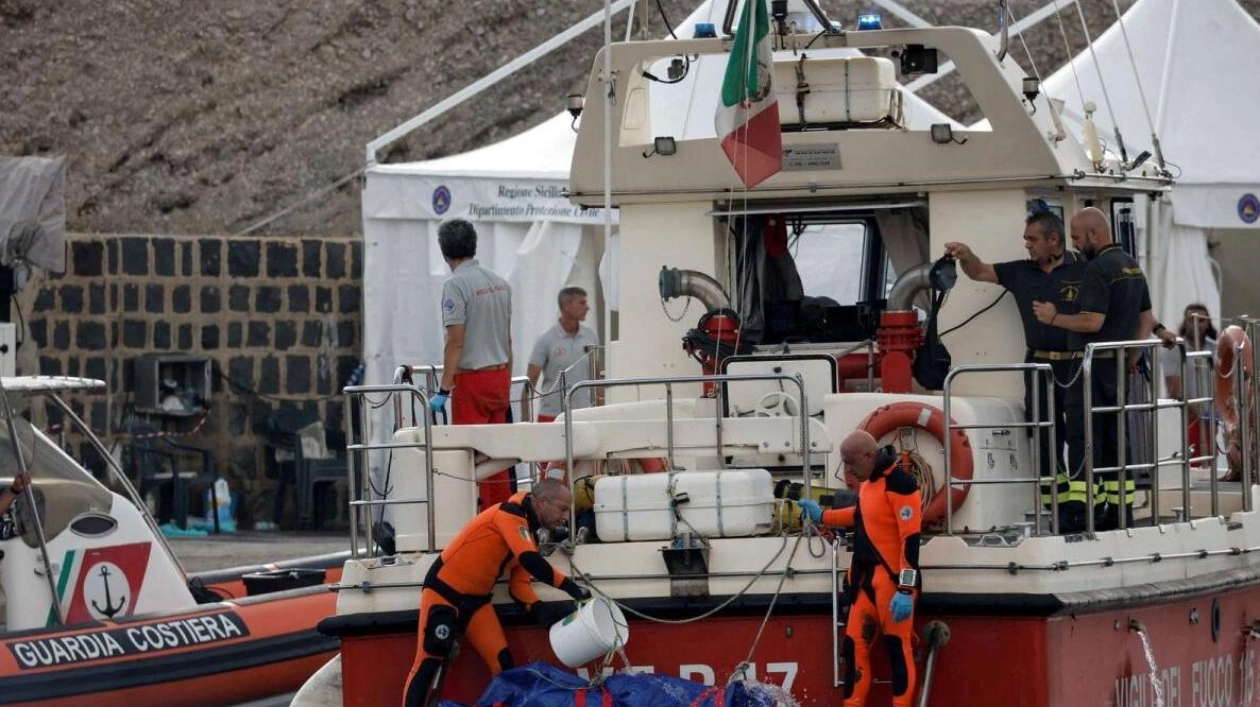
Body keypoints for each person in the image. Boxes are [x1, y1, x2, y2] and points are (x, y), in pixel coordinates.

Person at [1032, 207, 1176, 531]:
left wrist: (1054, 318)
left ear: (1094, 235)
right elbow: (1145, 319)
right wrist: (1135, 356)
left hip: (1090, 369)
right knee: (1115, 441)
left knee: (1084, 437)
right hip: (1117, 370)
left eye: (1077, 238)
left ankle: (1083, 511)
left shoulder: (1098, 268)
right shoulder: (1131, 266)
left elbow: (1091, 321)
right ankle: (1119, 511)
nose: (1075, 244)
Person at [945, 210, 1085, 531]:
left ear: (1054, 238)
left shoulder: (1085, 269)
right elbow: (979, 272)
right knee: (1045, 434)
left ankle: (1080, 505)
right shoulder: (1021, 272)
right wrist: (965, 254)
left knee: (1080, 432)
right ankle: (1057, 508)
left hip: (1075, 363)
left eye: (1032, 240)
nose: (1027, 246)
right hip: (1038, 365)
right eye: (1025, 240)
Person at [402, 479, 590, 706]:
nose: (565, 517)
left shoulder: (529, 537)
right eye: (562, 509)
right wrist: (572, 588)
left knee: (503, 665)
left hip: (476, 603)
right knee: (428, 661)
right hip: (444, 593)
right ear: (542, 503)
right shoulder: (509, 514)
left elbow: (519, 588)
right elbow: (530, 561)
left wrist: (539, 609)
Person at [797, 430, 921, 707]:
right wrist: (822, 515)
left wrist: (906, 587)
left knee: (897, 651)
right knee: (853, 648)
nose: (848, 470)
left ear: (868, 455)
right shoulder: (868, 486)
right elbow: (859, 516)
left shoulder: (901, 485)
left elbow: (910, 541)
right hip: (865, 581)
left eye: (851, 463)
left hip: (892, 583)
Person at [429, 218, 514, 509]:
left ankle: (476, 517)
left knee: (469, 455)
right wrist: (507, 378)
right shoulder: (500, 283)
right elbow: (507, 338)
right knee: (498, 456)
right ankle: (504, 513)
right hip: (500, 375)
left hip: (472, 381)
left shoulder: (456, 286)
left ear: (444, 252)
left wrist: (443, 388)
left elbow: (456, 342)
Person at [527, 286, 600, 424]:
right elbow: (529, 383)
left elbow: (597, 377)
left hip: (583, 414)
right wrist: (526, 421)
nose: (587, 308)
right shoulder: (545, 339)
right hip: (551, 415)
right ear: (567, 306)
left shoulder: (590, 336)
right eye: (582, 303)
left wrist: (601, 411)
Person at [1160, 304, 1218, 471]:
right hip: (1185, 418)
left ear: (1207, 323)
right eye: (1191, 320)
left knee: (1209, 461)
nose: (1196, 324)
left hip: (1211, 417)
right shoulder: (1174, 351)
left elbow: (1221, 383)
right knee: (1190, 462)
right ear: (1185, 323)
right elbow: (1174, 391)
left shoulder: (1215, 349)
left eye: (1201, 320)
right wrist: (1199, 414)